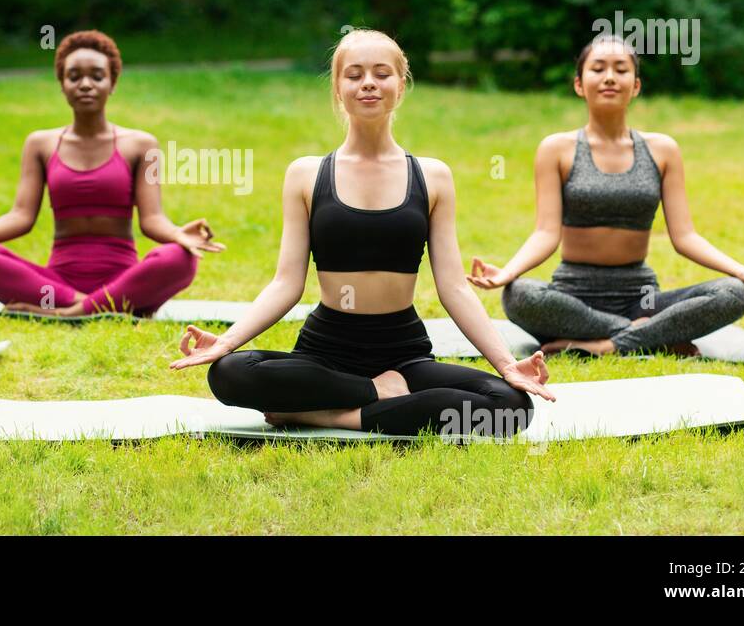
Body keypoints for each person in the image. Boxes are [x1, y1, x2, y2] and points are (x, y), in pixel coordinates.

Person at [170, 29, 553, 437]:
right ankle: (373, 393)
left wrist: (507, 366)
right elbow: (286, 283)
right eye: (354, 74)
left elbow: (454, 288)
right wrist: (226, 343)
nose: (368, 82)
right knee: (229, 373)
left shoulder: (433, 176)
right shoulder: (306, 174)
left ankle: (327, 414)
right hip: (326, 353)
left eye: (381, 73)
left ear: (401, 86)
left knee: (509, 406)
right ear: (338, 88)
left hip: (404, 356)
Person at [468, 35, 744, 356]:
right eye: (598, 68)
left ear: (635, 86)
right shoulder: (556, 149)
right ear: (579, 84)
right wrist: (509, 272)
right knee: (520, 294)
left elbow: (685, 236)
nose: (610, 77)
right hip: (573, 297)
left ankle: (610, 344)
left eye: (621, 69)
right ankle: (651, 336)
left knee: (734, 293)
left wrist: (743, 271)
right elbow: (545, 233)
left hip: (642, 298)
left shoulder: (663, 150)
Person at [0, 30, 224, 317]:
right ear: (62, 84)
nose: (85, 85)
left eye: (97, 76)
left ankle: (70, 312)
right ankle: (103, 306)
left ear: (112, 83)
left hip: (124, 276)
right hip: (58, 283)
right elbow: (21, 217)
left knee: (180, 259)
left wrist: (178, 234)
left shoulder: (143, 144)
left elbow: (152, 220)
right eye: (74, 76)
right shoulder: (40, 143)